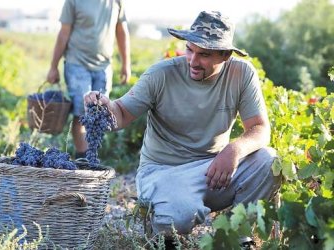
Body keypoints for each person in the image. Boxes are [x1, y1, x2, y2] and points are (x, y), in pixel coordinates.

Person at [84, 10, 281, 246]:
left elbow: (260, 128)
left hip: (213, 170)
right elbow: (122, 114)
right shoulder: (162, 75)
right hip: (162, 172)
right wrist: (106, 107)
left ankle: (236, 236)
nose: (193, 61)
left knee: (269, 161)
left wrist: (234, 150)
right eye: (190, 49)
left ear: (225, 55)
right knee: (177, 216)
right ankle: (161, 224)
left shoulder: (241, 74)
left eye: (204, 55)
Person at [46, 0, 131, 159]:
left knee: (99, 113)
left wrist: (126, 64)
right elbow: (64, 33)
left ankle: (91, 156)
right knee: (81, 113)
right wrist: (53, 66)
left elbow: (121, 31)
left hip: (104, 66)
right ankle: (83, 158)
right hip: (77, 63)